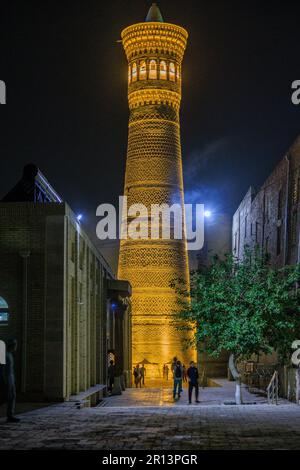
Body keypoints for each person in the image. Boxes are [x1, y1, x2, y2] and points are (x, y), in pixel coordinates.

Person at [5, 338, 20, 423]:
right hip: (7, 378)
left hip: (11, 378)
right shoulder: (6, 355)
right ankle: (10, 415)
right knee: (6, 397)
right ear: (12, 345)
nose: (16, 346)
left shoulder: (10, 355)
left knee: (12, 396)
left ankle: (10, 415)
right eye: (15, 344)